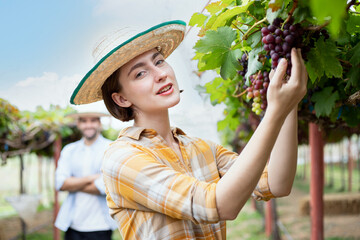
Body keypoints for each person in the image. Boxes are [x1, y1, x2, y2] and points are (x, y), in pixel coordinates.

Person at [70, 20, 308, 239]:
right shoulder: (122, 158)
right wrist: (275, 111)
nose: (160, 74)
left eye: (159, 61)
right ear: (121, 99)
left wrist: (290, 104)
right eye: (140, 73)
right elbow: (218, 205)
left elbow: (277, 183)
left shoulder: (201, 147)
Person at [54, 111, 117, 240]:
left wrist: (72, 183)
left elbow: (106, 187)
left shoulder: (111, 148)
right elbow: (60, 183)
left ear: (99, 123)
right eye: (84, 121)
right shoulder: (69, 150)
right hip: (73, 224)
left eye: (93, 120)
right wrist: (93, 177)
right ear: (78, 124)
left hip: (101, 226)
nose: (88, 125)